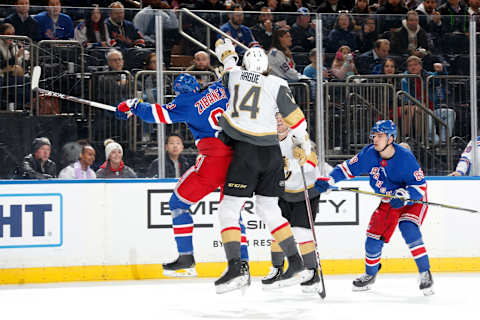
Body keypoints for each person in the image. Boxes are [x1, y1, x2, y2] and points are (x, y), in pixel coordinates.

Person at [115, 72, 249, 277]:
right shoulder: (219, 89)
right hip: (239, 157)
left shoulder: (186, 101)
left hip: (214, 161)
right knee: (232, 212)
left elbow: (156, 114)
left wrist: (132, 105)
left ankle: (186, 258)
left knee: (178, 203)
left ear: (179, 92)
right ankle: (243, 264)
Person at [212, 41, 312, 293]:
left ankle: (235, 266)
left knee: (229, 209)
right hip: (271, 153)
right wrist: (303, 144)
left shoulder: (234, 74)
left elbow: (229, 63)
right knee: (269, 209)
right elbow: (297, 121)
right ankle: (296, 262)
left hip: (246, 151)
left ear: (246, 63)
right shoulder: (278, 83)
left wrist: (225, 50)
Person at [314, 120, 434, 296]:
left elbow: (420, 187)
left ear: (391, 138)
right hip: (388, 201)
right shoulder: (369, 154)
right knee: (372, 239)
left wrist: (405, 197)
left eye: (380, 136)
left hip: (412, 200)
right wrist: (330, 181)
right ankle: (370, 274)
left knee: (408, 228)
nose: (375, 139)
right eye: (374, 135)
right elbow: (346, 168)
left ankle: (425, 272)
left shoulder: (405, 158)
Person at [261, 113, 330, 293]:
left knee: (301, 231)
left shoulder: (299, 138)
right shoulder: (266, 139)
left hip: (306, 192)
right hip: (284, 193)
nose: (278, 121)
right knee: (277, 230)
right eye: (274, 118)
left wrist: (292, 163)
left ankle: (312, 272)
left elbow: (311, 165)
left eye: (281, 118)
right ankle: (277, 268)